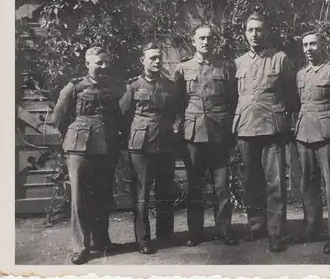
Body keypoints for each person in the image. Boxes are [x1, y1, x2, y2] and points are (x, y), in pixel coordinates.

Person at [50, 47, 123, 265]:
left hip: (106, 147)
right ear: (88, 64)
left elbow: (118, 115)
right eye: (99, 62)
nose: (103, 66)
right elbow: (58, 118)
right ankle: (81, 246)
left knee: (103, 195)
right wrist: (74, 135)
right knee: (80, 197)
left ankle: (101, 241)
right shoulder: (75, 86)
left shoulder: (113, 88)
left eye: (106, 62)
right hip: (79, 148)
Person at [233, 13, 298, 253]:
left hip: (272, 127)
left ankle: (276, 232)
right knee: (250, 181)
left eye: (259, 30)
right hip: (246, 126)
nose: (254, 34)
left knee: (275, 182)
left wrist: (285, 120)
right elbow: (234, 97)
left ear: (267, 32)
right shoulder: (238, 63)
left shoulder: (280, 59)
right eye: (250, 30)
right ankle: (255, 225)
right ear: (244, 33)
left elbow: (292, 94)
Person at [175, 24, 238, 247]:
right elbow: (178, 102)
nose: (205, 42)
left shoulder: (226, 67)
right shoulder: (183, 68)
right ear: (193, 41)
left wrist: (229, 127)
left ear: (215, 41)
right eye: (201, 38)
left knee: (222, 186)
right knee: (195, 186)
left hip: (220, 134)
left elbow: (233, 99)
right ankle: (195, 232)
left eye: (209, 38)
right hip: (193, 135)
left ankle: (224, 230)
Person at [291, 31, 330, 254]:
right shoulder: (301, 74)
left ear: (322, 45)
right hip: (304, 133)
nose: (309, 48)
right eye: (305, 45)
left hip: (328, 134)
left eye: (313, 44)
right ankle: (312, 227)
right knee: (307, 182)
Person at [119, 42, 181, 254]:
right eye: (152, 58)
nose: (157, 61)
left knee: (166, 191)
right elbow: (125, 114)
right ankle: (143, 239)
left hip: (165, 143)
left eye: (159, 57)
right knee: (142, 194)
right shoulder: (133, 86)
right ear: (142, 61)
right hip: (141, 146)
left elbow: (174, 112)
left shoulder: (169, 86)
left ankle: (165, 234)